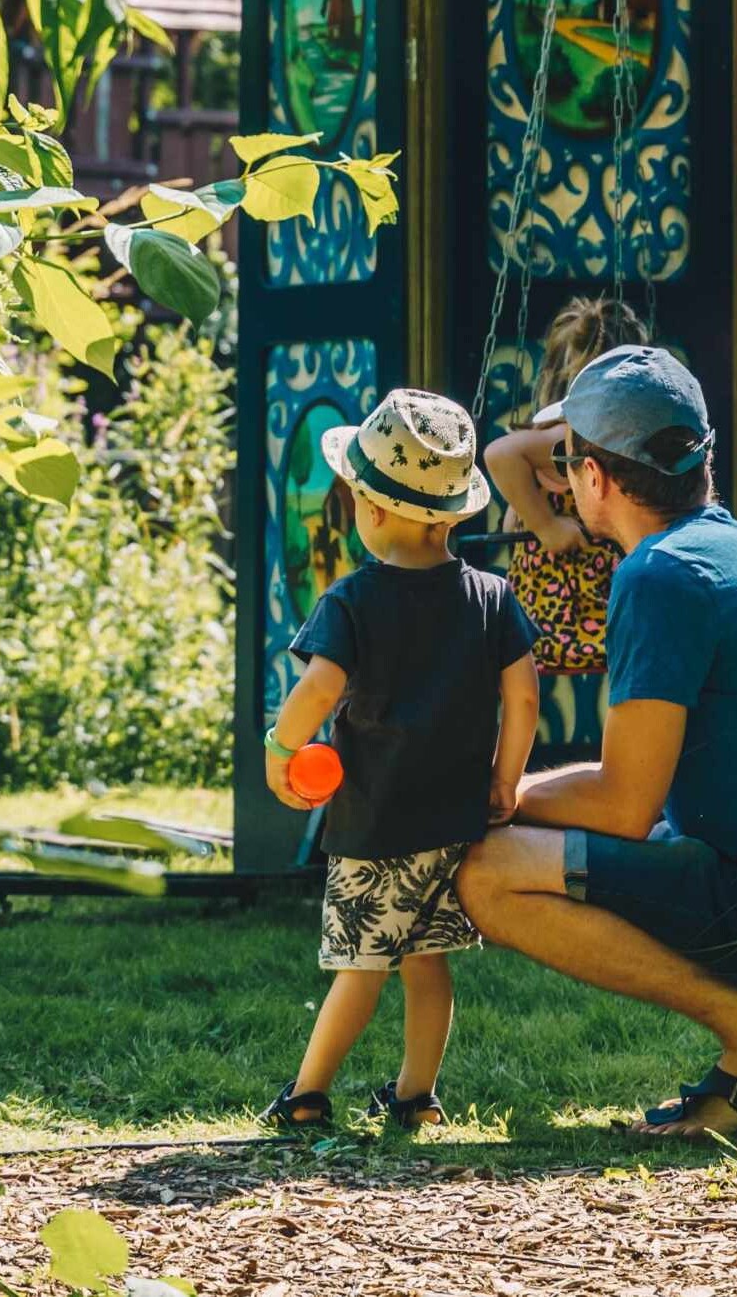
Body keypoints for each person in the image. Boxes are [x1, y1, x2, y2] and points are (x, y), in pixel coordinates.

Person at [456, 346, 737, 1142]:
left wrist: (498, 798)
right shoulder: (730, 549)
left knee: (487, 872)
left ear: (595, 477)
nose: (563, 478)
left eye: (566, 459)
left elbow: (622, 806)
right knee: (532, 835)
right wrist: (514, 798)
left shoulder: (660, 575)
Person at [261, 389, 541, 1131]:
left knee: (361, 966)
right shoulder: (491, 596)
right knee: (427, 962)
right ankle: (417, 1095)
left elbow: (319, 687)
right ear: (453, 513)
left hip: (373, 823)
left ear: (372, 510)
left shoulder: (351, 602)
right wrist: (505, 780)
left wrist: (280, 749)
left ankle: (308, 1094)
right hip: (453, 819)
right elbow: (523, 698)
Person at [484, 296, 647, 760]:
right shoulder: (570, 435)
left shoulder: (593, 439)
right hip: (565, 600)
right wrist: (546, 522)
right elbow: (500, 454)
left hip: (574, 607)